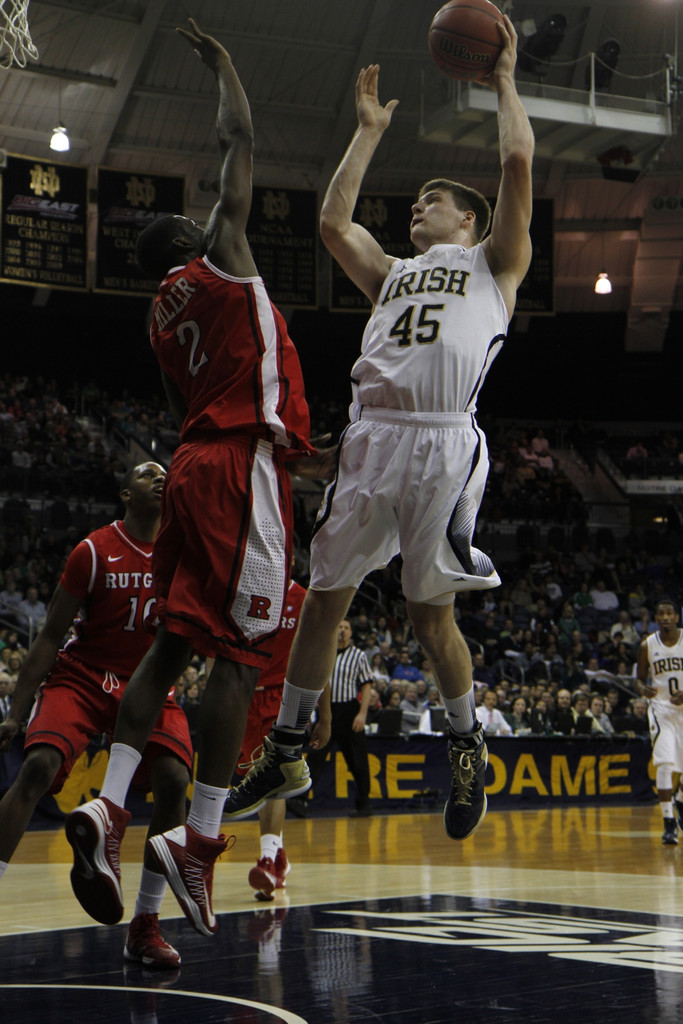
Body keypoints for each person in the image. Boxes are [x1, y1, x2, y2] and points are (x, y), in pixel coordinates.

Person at [224, 14, 534, 845]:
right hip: (370, 439)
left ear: (467, 221)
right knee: (322, 598)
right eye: (417, 199)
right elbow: (333, 225)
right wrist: (365, 135)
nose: (417, 207)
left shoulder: (492, 265)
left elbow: (515, 162)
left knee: (430, 618)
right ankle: (288, 745)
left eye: (433, 200)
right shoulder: (391, 273)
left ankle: (465, 745)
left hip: (442, 442)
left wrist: (504, 80)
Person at [63, 19, 327, 940]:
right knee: (244, 654)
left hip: (191, 467)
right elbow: (237, 142)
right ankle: (203, 839)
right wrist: (225, 67)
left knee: (171, 649)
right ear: (193, 237)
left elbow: (205, 399)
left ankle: (110, 804)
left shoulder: (156, 318)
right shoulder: (220, 264)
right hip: (238, 467)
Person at [0, 462, 193, 969]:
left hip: (148, 682)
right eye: (147, 474)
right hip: (85, 674)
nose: (160, 478)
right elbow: (49, 636)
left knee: (175, 781)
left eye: (165, 474)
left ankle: (145, 925)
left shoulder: (182, 554)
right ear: (125, 494)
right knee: (37, 768)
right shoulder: (92, 550)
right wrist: (15, 712)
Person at [236, 577, 330, 899]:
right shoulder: (246, 589)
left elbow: (319, 657)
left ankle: (267, 858)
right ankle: (278, 856)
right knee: (255, 781)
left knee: (271, 778)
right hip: (246, 696)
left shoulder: (304, 598)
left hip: (282, 697)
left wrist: (326, 717)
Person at [301, 618, 374, 817]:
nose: (342, 630)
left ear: (351, 632)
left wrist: (362, 714)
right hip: (327, 710)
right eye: (340, 627)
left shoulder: (358, 655)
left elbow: (367, 685)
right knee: (315, 756)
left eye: (346, 627)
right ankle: (299, 801)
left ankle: (364, 804)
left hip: (349, 711)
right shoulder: (325, 652)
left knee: (358, 761)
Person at [636, 598, 683, 846]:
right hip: (661, 710)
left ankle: (680, 801)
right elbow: (639, 679)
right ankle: (668, 822)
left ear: (676, 617)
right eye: (661, 613)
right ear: (656, 619)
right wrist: (642, 688)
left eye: (669, 613)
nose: (665, 617)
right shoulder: (647, 645)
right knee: (665, 763)